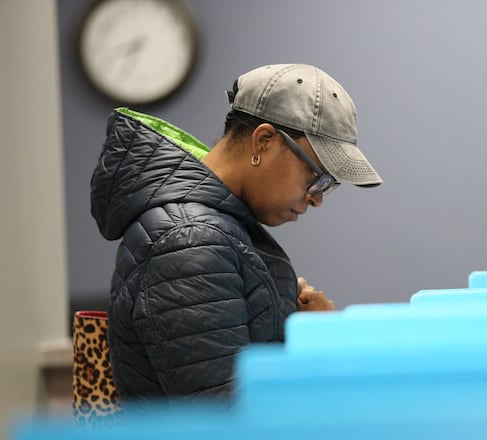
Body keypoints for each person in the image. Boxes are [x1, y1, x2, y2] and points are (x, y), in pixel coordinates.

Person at [89, 64, 382, 406]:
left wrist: (279, 315)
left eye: (328, 187)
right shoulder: (189, 241)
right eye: (317, 177)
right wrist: (318, 346)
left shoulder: (213, 229)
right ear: (264, 141)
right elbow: (230, 417)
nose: (316, 198)